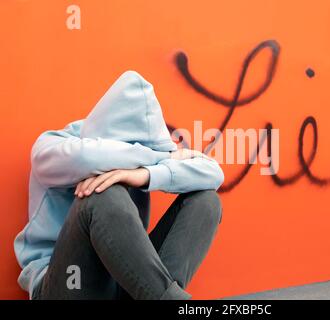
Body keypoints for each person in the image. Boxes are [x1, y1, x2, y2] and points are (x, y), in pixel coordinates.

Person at [14, 71, 224, 300]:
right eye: (131, 149)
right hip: (67, 284)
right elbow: (86, 159)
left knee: (205, 200)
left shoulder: (145, 149)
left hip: (125, 282)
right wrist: (154, 158)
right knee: (103, 194)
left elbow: (213, 173)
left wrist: (143, 175)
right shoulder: (53, 145)